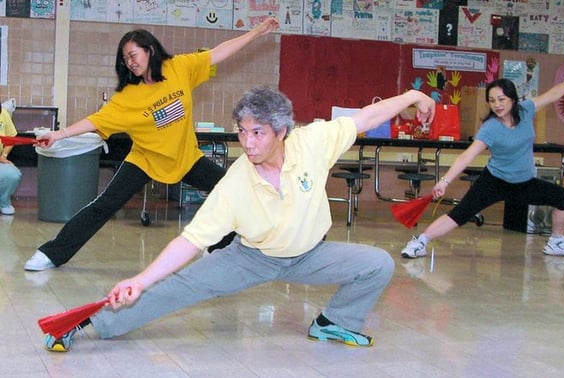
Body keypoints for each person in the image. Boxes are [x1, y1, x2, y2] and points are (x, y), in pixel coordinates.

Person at [43, 86, 436, 352]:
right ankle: (93, 323)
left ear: (282, 131)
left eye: (258, 133)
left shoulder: (313, 142)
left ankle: (333, 321)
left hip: (309, 252)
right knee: (179, 287)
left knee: (378, 264)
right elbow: (190, 241)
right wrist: (139, 280)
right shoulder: (235, 183)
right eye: (243, 131)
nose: (248, 142)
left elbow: (367, 117)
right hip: (251, 256)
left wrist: (413, 94)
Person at [24, 17, 280, 271]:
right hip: (145, 160)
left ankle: (218, 249)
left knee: (231, 191)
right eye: (125, 59)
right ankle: (51, 254)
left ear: (150, 50)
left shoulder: (178, 67)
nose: (130, 62)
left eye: (133, 54)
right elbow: (96, 120)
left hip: (185, 157)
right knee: (104, 205)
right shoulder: (127, 97)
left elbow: (217, 53)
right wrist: (59, 134)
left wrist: (256, 32)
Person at [401, 76, 564, 259]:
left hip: (524, 183)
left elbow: (553, 94)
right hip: (494, 181)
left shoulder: (526, 111)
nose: (497, 105)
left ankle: (556, 241)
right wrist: (445, 181)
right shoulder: (490, 128)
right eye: (492, 100)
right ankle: (420, 242)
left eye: (501, 99)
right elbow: (468, 155)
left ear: (513, 99)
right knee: (459, 215)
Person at [0, 103, 22, 215]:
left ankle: (3, 203)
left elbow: (11, 137)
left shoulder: (3, 113)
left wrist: (3, 156)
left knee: (12, 174)